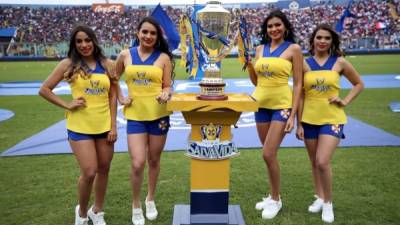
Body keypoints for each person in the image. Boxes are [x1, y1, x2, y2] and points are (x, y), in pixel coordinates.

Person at [39, 25, 117, 225]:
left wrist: (113, 126)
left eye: (87, 40)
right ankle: (81, 213)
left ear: (94, 41)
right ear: (74, 45)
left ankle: (96, 211)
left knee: (104, 169)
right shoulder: (68, 64)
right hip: (79, 126)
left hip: (104, 126)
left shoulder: (107, 64)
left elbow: (112, 96)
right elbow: (45, 89)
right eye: (79, 41)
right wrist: (67, 104)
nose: (84, 45)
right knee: (89, 172)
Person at [296, 24, 364, 223]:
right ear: (313, 40)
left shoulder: (340, 63)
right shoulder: (305, 64)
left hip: (333, 118)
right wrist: (299, 123)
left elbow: (359, 84)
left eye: (327, 38)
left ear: (332, 41)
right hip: (308, 119)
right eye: (319, 37)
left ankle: (328, 204)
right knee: (314, 162)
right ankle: (319, 196)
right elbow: (299, 95)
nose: (323, 41)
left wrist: (345, 101)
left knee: (323, 161)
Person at [114, 17, 173, 225]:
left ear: (157, 37)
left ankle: (150, 198)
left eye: (153, 33)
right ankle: (136, 204)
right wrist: (121, 97)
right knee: (138, 163)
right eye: (145, 32)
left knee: (154, 160)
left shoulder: (164, 58)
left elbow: (167, 86)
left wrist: (166, 93)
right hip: (135, 117)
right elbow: (112, 79)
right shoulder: (125, 55)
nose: (148, 36)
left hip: (159, 117)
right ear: (138, 33)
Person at [247, 10, 303, 219]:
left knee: (268, 153)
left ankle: (276, 199)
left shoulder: (294, 49)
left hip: (282, 105)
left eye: (277, 25)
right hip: (260, 104)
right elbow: (256, 81)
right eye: (270, 26)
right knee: (269, 156)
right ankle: (272, 196)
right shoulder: (260, 48)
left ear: (285, 26)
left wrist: (293, 116)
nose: (274, 29)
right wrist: (251, 66)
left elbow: (298, 84)